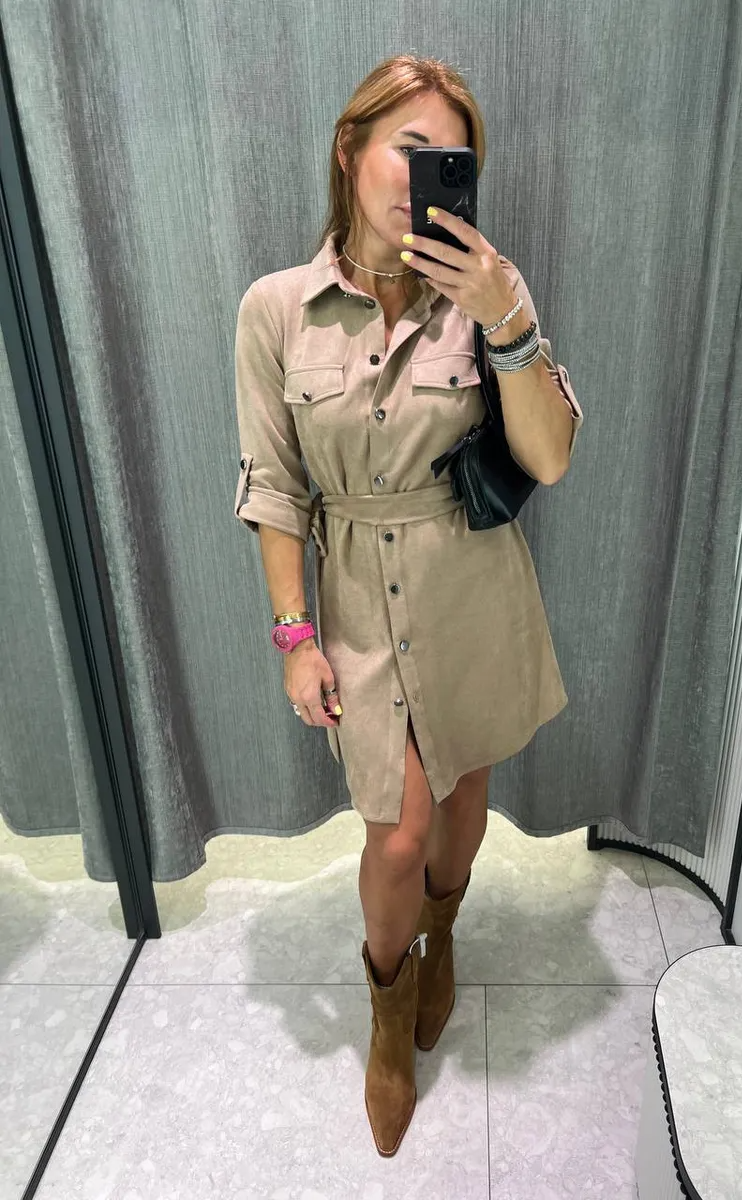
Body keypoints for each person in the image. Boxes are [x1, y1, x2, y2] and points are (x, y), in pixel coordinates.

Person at [233, 55, 583, 1158]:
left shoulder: (488, 291)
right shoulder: (277, 310)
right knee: (397, 836)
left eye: (452, 161)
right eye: (409, 149)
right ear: (350, 151)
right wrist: (294, 637)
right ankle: (389, 1009)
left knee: (466, 795)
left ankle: (444, 934)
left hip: (470, 583)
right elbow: (274, 485)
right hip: (355, 589)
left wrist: (507, 318)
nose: (426, 177)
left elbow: (549, 458)